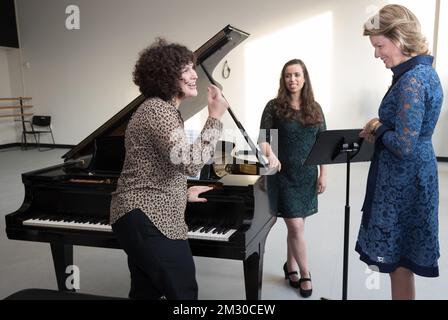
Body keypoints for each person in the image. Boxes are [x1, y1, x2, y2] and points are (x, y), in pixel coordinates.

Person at [109, 38, 228, 300]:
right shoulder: (158, 110)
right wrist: (215, 117)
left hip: (139, 216)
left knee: (145, 293)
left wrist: (181, 192)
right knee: (184, 293)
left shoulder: (158, 110)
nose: (193, 75)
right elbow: (190, 162)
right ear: (166, 75)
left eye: (192, 68)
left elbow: (157, 166)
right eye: (185, 69)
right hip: (149, 217)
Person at [356, 4, 443, 300]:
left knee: (398, 264)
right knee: (402, 264)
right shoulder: (424, 71)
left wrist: (378, 127)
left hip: (402, 183)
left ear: (399, 38)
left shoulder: (412, 81)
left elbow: (404, 146)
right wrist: (381, 129)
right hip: (417, 176)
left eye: (380, 45)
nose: (376, 54)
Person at [258, 59, 327, 298]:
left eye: (297, 75)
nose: (292, 79)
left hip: (307, 176)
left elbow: (323, 143)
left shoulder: (315, 108)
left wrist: (323, 173)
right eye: (288, 75)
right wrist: (271, 155)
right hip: (282, 174)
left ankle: (291, 267)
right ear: (283, 79)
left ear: (304, 78)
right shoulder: (274, 107)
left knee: (297, 226)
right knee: (296, 225)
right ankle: (306, 273)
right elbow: (263, 139)